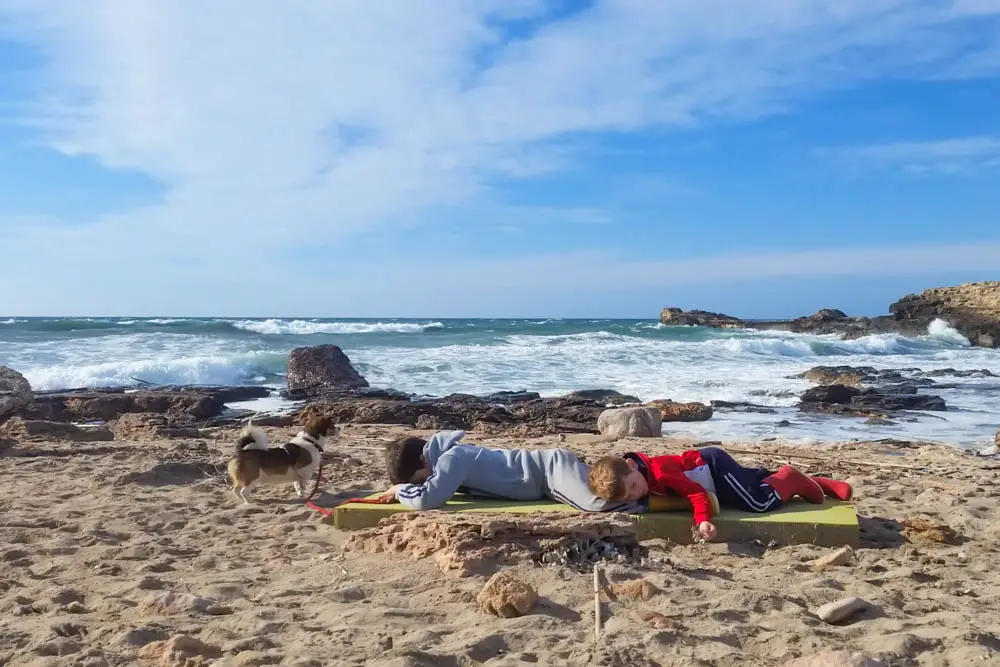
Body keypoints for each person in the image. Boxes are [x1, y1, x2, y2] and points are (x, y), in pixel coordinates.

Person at [587, 447, 852, 541]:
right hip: (711, 477)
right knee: (749, 483)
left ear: (632, 465)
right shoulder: (638, 477)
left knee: (757, 503)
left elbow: (695, 493)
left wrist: (703, 519)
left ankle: (790, 479)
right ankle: (819, 483)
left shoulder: (661, 472)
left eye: (633, 486)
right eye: (628, 497)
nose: (637, 494)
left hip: (713, 468)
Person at [376, 430, 644, 513]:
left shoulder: (451, 458)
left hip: (549, 472)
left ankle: (654, 499)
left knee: (598, 506)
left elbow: (428, 499)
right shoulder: (451, 456)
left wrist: (400, 491)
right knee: (611, 485)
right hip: (546, 478)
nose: (427, 481)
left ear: (423, 463)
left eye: (420, 479)